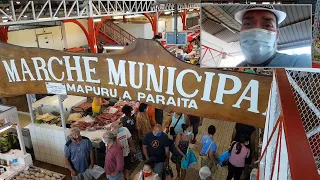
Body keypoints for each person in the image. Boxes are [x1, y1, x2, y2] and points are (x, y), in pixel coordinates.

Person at [235, 5, 311, 67]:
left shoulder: (300, 63)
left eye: (268, 25)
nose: (257, 32)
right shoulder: (238, 67)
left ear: (277, 35)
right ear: (240, 32)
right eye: (248, 24)